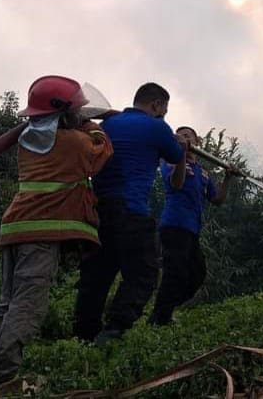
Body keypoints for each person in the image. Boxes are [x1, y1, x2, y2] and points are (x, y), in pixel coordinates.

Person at [0, 75, 113, 394]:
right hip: (40, 230)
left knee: (7, 302)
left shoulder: (29, 140)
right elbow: (102, 151)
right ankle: (0, 376)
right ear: (66, 113)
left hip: (14, 227)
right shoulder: (74, 142)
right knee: (29, 304)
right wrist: (94, 125)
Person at [74, 83, 186, 344]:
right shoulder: (157, 127)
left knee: (97, 275)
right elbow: (175, 155)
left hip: (98, 211)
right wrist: (181, 145)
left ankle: (83, 336)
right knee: (144, 273)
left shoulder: (107, 125)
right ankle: (114, 329)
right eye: (164, 110)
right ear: (157, 105)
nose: (163, 115)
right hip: (131, 210)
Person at [148, 126, 239, 326]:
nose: (184, 137)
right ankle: (160, 319)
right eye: (180, 135)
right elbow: (177, 184)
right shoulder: (169, 162)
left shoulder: (203, 173)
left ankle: (161, 311)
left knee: (197, 274)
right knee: (175, 273)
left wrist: (228, 177)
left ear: (197, 143)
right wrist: (180, 155)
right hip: (174, 225)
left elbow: (217, 199)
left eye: (188, 135)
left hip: (192, 229)